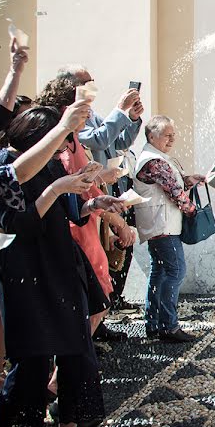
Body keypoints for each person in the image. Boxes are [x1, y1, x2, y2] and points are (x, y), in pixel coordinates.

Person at [0, 107, 123, 427]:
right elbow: (19, 222)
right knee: (32, 361)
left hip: (60, 263)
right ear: (36, 135)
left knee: (76, 353)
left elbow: (65, 208)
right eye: (60, 138)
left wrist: (94, 202)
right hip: (25, 272)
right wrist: (57, 187)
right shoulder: (3, 164)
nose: (65, 146)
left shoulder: (47, 162)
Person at [62, 65, 144, 312]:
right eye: (85, 82)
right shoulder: (72, 116)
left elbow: (118, 142)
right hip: (87, 196)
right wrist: (119, 110)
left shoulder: (93, 114)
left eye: (92, 81)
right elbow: (98, 139)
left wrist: (132, 119)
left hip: (108, 188)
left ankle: (112, 298)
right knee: (99, 251)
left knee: (118, 245)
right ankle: (100, 308)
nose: (91, 86)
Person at [133, 115, 205, 343]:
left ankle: (154, 323)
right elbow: (174, 191)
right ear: (152, 136)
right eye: (167, 135)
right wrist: (194, 212)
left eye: (173, 135)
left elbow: (173, 181)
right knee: (175, 272)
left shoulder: (155, 156)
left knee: (160, 272)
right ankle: (168, 325)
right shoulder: (153, 160)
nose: (172, 139)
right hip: (162, 225)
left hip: (159, 224)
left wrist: (188, 178)